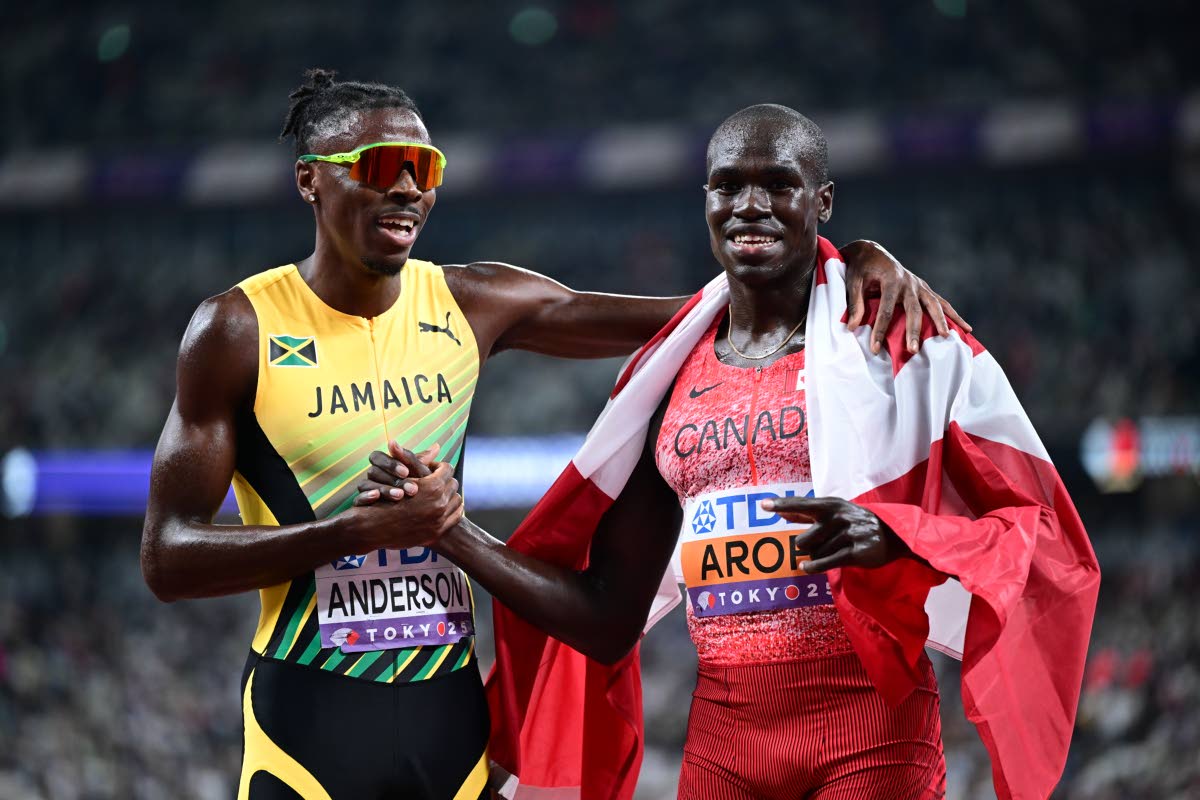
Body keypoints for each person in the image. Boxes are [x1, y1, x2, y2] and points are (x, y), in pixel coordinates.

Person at [140, 68, 965, 800]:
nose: (407, 189)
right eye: (379, 168)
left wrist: (847, 255)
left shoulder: (470, 302)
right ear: (309, 183)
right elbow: (168, 557)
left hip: (448, 714)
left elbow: (713, 310)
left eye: (423, 169)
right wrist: (356, 531)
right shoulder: (237, 328)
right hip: (307, 719)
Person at [359, 105, 1099, 800]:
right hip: (724, 741)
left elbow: (1042, 534)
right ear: (705, 200)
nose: (750, 204)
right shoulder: (667, 372)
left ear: (824, 201)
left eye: (779, 184)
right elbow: (608, 618)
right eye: (728, 185)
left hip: (871, 729)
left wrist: (901, 538)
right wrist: (450, 530)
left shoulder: (894, 343)